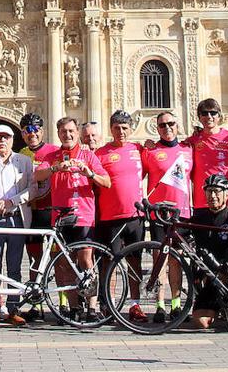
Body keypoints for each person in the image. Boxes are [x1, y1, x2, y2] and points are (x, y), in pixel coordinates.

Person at [36, 116, 111, 322]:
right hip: (60, 217)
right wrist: (55, 168)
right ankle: (74, 307)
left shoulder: (87, 155)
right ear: (58, 134)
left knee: (86, 260)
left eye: (71, 131)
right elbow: (37, 176)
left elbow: (107, 182)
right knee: (63, 264)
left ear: (77, 133)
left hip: (84, 216)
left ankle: (92, 306)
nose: (67, 135)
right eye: (63, 132)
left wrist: (90, 174)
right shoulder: (53, 156)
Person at [95, 110, 150, 323]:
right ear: (111, 129)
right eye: (117, 128)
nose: (121, 132)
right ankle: (109, 305)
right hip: (110, 217)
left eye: (125, 128)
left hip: (135, 215)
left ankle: (134, 305)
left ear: (130, 129)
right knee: (110, 263)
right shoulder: (101, 153)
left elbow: (153, 168)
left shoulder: (138, 150)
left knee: (134, 263)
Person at [0, 124, 34, 326]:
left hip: (16, 217)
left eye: (6, 137)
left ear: (13, 140)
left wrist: (12, 202)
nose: (2, 141)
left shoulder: (24, 162)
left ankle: (13, 309)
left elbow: (33, 189)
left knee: (15, 266)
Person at [142, 110, 192, 323]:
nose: (167, 128)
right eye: (162, 125)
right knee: (159, 259)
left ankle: (176, 304)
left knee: (177, 260)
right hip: (159, 214)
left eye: (171, 123)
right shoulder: (150, 152)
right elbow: (136, 176)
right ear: (157, 128)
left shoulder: (189, 149)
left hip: (182, 212)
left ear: (178, 125)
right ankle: (160, 305)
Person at [189, 174, 228, 331]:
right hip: (210, 276)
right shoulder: (199, 217)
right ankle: (221, 308)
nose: (212, 196)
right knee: (200, 323)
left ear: (226, 194)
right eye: (209, 192)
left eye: (216, 191)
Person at [18, 112, 58, 320]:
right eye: (26, 131)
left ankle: (63, 302)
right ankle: (36, 301)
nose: (31, 134)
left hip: (50, 211)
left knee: (57, 259)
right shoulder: (21, 154)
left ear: (42, 131)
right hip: (31, 212)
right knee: (34, 259)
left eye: (35, 129)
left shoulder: (54, 151)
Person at [184, 99, 228, 212]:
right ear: (199, 117)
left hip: (227, 202)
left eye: (213, 113)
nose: (209, 116)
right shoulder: (192, 141)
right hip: (201, 203)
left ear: (219, 116)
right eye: (204, 113)